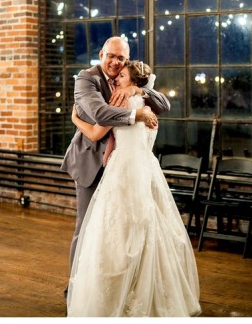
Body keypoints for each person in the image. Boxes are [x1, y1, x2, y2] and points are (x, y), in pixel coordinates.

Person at [66, 61, 200, 316]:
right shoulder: (149, 107)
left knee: (115, 232)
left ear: (135, 82)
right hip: (146, 169)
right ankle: (147, 291)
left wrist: (75, 119)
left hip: (124, 171)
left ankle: (117, 292)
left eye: (123, 76)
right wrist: (139, 95)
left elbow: (95, 133)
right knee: (147, 229)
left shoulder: (123, 103)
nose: (117, 79)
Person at [60, 36, 169, 286]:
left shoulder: (129, 80)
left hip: (122, 167)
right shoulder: (86, 79)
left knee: (113, 230)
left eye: (121, 58)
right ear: (101, 54)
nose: (115, 62)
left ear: (126, 60)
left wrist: (138, 91)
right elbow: (100, 113)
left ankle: (108, 284)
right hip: (91, 163)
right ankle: (76, 288)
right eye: (111, 55)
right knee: (86, 228)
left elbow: (165, 104)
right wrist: (137, 114)